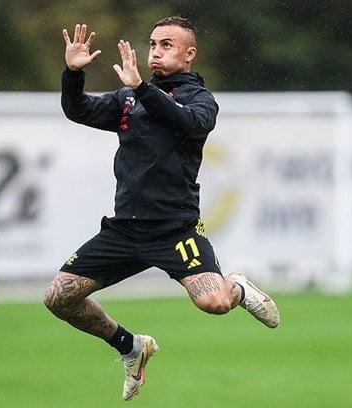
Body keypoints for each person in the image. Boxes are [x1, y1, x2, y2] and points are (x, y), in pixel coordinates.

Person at [44, 16, 279, 401]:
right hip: (124, 230)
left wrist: (141, 88)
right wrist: (72, 74)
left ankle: (236, 287)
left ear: (189, 54)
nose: (156, 51)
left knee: (214, 302)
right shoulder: (129, 99)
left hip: (175, 230)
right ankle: (130, 347)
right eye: (153, 44)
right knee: (58, 298)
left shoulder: (200, 100)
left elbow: (187, 122)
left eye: (166, 45)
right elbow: (79, 110)